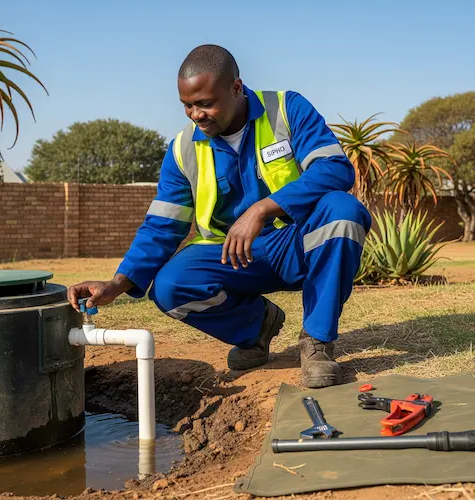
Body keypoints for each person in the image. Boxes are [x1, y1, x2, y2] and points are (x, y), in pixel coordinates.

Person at [68, 44, 371, 388]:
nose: (196, 114)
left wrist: (262, 209)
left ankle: (316, 342)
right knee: (169, 286)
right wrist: (117, 284)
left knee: (344, 212)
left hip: (296, 244)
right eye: (187, 105)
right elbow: (162, 226)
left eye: (205, 103)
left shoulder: (286, 110)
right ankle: (257, 327)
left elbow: (334, 168)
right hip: (235, 259)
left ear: (236, 88)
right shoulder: (183, 149)